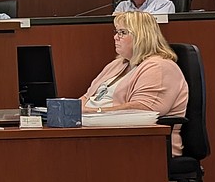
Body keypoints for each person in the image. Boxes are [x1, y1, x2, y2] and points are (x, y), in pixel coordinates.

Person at [78, 11, 188, 154]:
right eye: (116, 32)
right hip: (100, 134)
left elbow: (142, 110)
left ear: (141, 36)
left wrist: (93, 113)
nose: (115, 37)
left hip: (142, 144)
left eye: (122, 32)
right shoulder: (118, 64)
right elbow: (87, 97)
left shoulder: (159, 67)